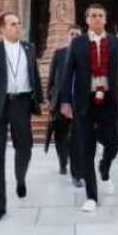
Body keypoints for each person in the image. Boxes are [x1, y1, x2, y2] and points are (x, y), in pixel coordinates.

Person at [0, 12, 44, 224]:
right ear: (2, 29)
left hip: (21, 104)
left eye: (19, 23)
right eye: (12, 24)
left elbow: (35, 75)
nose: (17, 26)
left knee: (25, 148)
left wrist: (40, 100)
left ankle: (20, 179)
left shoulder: (29, 48)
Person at [60, 3, 118, 213]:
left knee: (113, 143)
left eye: (100, 15)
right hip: (84, 102)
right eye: (93, 16)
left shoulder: (117, 44)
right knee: (86, 148)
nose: (97, 19)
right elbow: (67, 73)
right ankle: (91, 196)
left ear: (105, 20)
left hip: (109, 100)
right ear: (87, 20)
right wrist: (65, 101)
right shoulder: (78, 43)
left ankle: (104, 168)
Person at [47, 24, 83, 187]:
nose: (74, 36)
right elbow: (51, 77)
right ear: (67, 36)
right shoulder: (59, 53)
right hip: (61, 101)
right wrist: (50, 97)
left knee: (78, 137)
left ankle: (77, 172)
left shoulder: (86, 54)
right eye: (72, 34)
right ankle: (62, 161)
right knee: (60, 135)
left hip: (79, 101)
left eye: (77, 34)